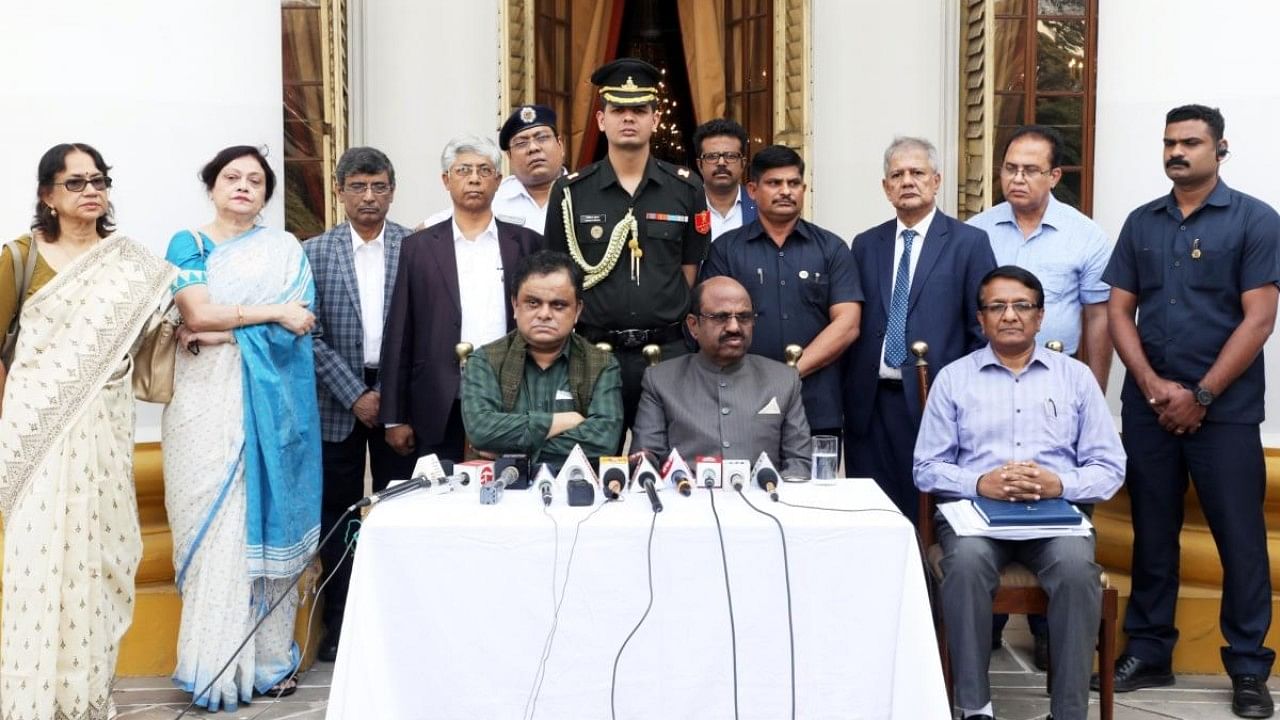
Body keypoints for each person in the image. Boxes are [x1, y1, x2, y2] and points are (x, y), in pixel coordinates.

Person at [1097, 104, 1277, 718]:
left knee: (1241, 539)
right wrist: (1149, 383)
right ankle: (1148, 652)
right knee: (1152, 532)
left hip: (1224, 413)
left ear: (1220, 149)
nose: (1178, 152)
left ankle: (1249, 668)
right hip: (1149, 408)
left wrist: (1200, 395)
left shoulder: (1254, 219)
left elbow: (1260, 319)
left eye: (1192, 143)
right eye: (1170, 142)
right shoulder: (1141, 222)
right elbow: (1120, 309)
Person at [0, 143, 175, 720]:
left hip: (103, 431)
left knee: (99, 564)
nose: (90, 191)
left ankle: (84, 700)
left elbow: (150, 345)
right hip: (35, 435)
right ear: (47, 195)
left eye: (98, 179)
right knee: (36, 565)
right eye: (74, 183)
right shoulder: (20, 258)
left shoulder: (129, 265)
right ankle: (29, 702)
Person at [914, 265, 1125, 720]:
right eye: (997, 307)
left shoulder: (1076, 378)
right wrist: (978, 482)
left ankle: (1068, 713)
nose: (1009, 315)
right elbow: (925, 468)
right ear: (981, 319)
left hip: (1055, 518)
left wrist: (1059, 483)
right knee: (965, 566)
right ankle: (974, 708)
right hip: (976, 518)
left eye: (1021, 306)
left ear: (1041, 316)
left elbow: (1110, 469)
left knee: (1074, 570)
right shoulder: (954, 378)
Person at [162, 145, 322, 710]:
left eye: (256, 180)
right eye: (232, 177)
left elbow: (302, 321)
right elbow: (195, 314)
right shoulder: (190, 244)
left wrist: (225, 332)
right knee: (215, 534)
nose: (243, 187)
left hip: (271, 406)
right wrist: (270, 313)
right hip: (204, 408)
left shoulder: (284, 250)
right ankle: (215, 666)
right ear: (212, 185)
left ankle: (272, 662)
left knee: (268, 525)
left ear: (266, 194)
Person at [967, 124, 1114, 667]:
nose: (1017, 178)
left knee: (1063, 506)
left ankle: (1056, 635)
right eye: (1010, 168)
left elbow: (1099, 319)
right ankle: (987, 626)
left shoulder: (1085, 236)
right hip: (991, 389)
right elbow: (973, 316)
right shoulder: (978, 233)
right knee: (992, 493)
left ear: (1055, 175)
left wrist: (1092, 393)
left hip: (1060, 390)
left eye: (1030, 169)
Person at [543, 57, 711, 433]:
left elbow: (690, 270)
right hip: (594, 355)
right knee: (593, 468)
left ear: (655, 119)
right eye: (618, 109)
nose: (629, 118)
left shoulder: (686, 189)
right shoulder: (571, 193)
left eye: (640, 109)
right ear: (602, 120)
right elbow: (556, 275)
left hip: (667, 355)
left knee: (667, 466)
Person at [844, 136, 996, 523]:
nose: (907, 181)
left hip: (935, 402)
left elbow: (982, 329)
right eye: (897, 174)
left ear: (936, 180)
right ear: (885, 187)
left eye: (917, 172)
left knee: (927, 516)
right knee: (873, 514)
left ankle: (927, 586)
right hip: (871, 403)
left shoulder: (969, 243)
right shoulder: (865, 244)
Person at [302, 146, 416, 662]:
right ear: (339, 191)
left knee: (400, 510)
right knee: (338, 516)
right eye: (358, 187)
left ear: (392, 190)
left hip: (401, 399)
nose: (369, 197)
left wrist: (388, 401)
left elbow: (424, 332)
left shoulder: (416, 248)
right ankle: (341, 622)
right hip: (334, 401)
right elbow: (308, 335)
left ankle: (398, 619)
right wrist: (356, 395)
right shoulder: (311, 253)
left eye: (379, 187)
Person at [381, 136, 542, 461]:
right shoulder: (419, 247)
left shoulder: (527, 244)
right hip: (439, 397)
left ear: (497, 181)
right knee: (441, 501)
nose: (474, 178)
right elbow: (401, 331)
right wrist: (394, 416)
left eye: (484, 170)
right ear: (446, 179)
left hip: (512, 393)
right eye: (463, 170)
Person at [700, 144, 862, 439]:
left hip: (816, 403)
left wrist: (789, 375)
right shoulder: (726, 250)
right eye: (774, 183)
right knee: (743, 484)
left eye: (793, 183)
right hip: (741, 396)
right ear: (752, 190)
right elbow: (711, 321)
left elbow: (848, 324)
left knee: (813, 485)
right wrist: (763, 381)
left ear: (804, 188)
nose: (785, 191)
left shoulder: (831, 248)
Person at [632, 276, 812, 478]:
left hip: (764, 500)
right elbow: (646, 460)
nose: (734, 327)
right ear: (693, 325)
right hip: (684, 501)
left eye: (744, 317)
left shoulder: (783, 379)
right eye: (720, 317)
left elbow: (799, 462)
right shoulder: (660, 380)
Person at [461, 250, 623, 465]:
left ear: (577, 311)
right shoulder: (485, 362)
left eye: (558, 305)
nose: (544, 314)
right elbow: (480, 431)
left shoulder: (602, 365)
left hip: (574, 487)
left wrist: (508, 452)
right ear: (515, 306)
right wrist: (562, 421)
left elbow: (603, 442)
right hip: (504, 491)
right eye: (533, 303)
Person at [421, 104, 566, 233]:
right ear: (509, 156)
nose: (533, 148)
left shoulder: (582, 192)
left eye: (541, 138)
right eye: (521, 143)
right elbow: (428, 228)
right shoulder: (493, 194)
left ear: (560, 144)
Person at [692, 118, 757, 240]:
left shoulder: (761, 207)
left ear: (743, 163)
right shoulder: (686, 205)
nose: (721, 162)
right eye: (712, 157)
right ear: (699, 165)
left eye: (730, 156)